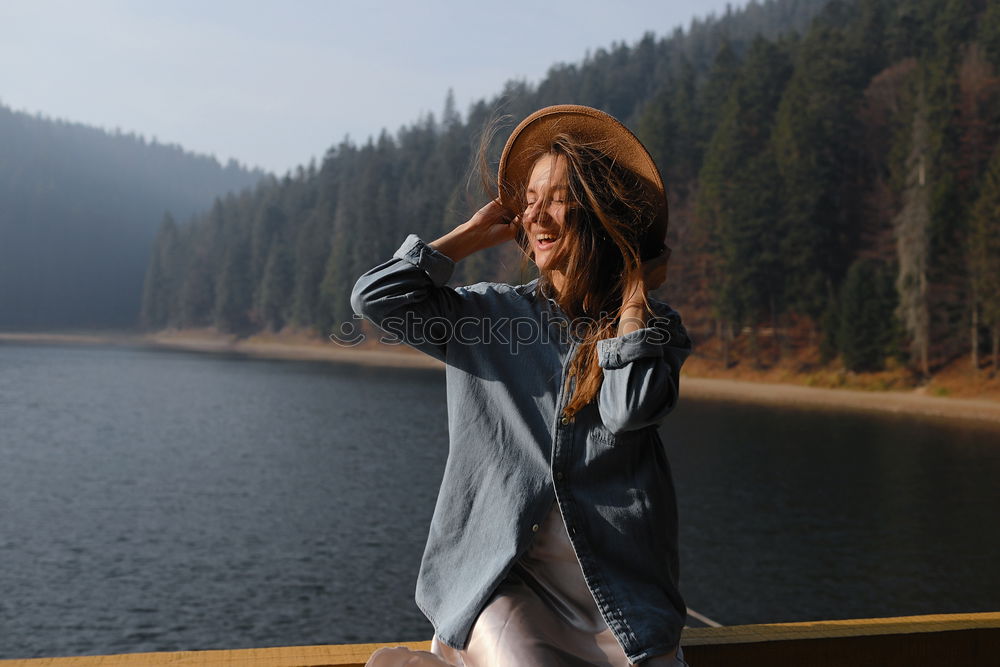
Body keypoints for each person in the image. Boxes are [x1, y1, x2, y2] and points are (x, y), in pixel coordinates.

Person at [351, 105, 692, 666]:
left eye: (556, 197)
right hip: (502, 582)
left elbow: (629, 408)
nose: (535, 214)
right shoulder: (485, 315)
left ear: (598, 213)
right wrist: (465, 238)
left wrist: (633, 293)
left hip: (618, 596)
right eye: (528, 199)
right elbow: (376, 300)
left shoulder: (654, 328)